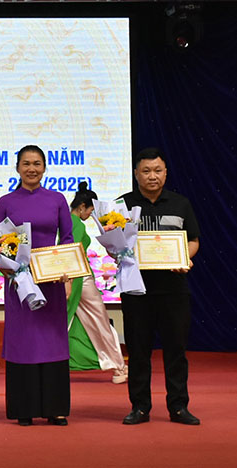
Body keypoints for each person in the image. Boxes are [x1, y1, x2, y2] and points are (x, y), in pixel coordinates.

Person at [119, 147, 200, 426]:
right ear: (136, 174)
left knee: (176, 351)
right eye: (146, 171)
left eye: (157, 170)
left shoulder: (181, 204)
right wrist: (117, 253)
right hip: (136, 289)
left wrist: (184, 258)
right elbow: (113, 245)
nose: (152, 176)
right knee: (139, 351)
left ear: (165, 173)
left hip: (173, 289)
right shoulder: (123, 205)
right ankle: (140, 407)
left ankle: (178, 407)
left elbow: (193, 241)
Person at [0, 145, 73, 426]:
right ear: (17, 168)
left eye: (37, 163)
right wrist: (10, 268)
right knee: (23, 341)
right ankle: (23, 408)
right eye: (26, 163)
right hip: (20, 284)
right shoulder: (5, 201)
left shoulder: (57, 199)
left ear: (45, 167)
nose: (31, 169)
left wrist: (67, 272)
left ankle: (55, 407)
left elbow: (67, 239)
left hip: (51, 280)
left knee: (52, 341)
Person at [66, 182, 128, 384]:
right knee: (100, 321)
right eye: (90, 211)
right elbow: (72, 253)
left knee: (72, 322)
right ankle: (119, 367)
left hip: (73, 278)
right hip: (80, 278)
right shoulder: (76, 223)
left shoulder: (65, 221)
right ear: (82, 206)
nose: (90, 216)